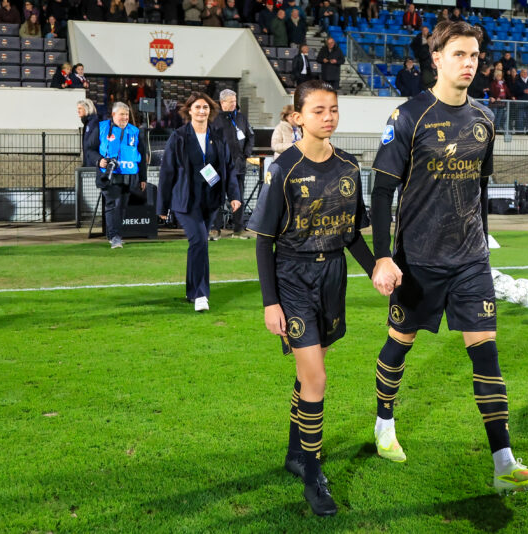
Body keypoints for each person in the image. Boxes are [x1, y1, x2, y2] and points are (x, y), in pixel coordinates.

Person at [369, 19, 528, 496]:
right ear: (437, 59)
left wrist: (485, 244)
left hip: (470, 260)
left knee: (486, 353)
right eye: (458, 55)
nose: (469, 63)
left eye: (474, 56)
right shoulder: (408, 116)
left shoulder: (484, 119)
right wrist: (383, 257)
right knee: (400, 342)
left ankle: (504, 463)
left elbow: (479, 189)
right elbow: (382, 191)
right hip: (419, 259)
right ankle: (384, 424)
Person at [247, 80, 375, 517]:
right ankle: (313, 476)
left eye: (333, 109)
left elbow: (351, 234)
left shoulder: (349, 166)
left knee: (309, 373)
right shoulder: (283, 168)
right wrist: (271, 302)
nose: (328, 117)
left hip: (332, 277)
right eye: (318, 110)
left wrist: (377, 268)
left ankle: (294, 454)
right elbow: (264, 241)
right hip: (293, 278)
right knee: (316, 377)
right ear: (298, 117)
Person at [158, 92, 241, 311]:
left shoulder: (218, 136)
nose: (202, 111)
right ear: (189, 110)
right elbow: (167, 172)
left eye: (205, 107)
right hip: (185, 200)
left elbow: (228, 167)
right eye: (197, 107)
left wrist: (234, 195)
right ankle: (200, 294)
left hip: (210, 200)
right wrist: (162, 206)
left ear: (210, 111)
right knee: (199, 242)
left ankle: (191, 290)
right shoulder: (178, 137)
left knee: (198, 244)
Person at [85, 102, 148, 249]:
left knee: (122, 207)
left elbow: (142, 155)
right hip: (109, 174)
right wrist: (99, 160)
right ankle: (115, 237)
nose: (125, 117)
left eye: (127, 114)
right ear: (113, 115)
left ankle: (113, 235)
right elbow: (89, 149)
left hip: (129, 175)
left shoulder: (135, 131)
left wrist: (143, 178)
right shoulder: (101, 128)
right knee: (112, 204)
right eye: (122, 114)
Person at [210, 89, 254, 240]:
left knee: (238, 197)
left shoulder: (241, 118)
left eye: (235, 101)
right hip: (218, 167)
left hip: (238, 166)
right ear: (222, 102)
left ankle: (238, 229)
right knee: (216, 197)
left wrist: (246, 154)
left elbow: (250, 136)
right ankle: (215, 229)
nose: (234, 104)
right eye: (231, 101)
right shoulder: (214, 119)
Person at [77, 98, 99, 167]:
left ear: (86, 109)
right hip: (88, 161)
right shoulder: (88, 123)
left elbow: (92, 145)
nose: (78, 111)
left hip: (92, 163)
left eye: (80, 108)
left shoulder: (93, 123)